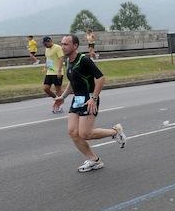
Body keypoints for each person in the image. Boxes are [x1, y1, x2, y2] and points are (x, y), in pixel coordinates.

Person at [54, 35, 126, 172]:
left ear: (75, 46)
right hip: (77, 99)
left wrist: (94, 97)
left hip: (89, 98)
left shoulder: (84, 60)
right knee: (73, 132)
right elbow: (73, 82)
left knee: (85, 133)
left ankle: (116, 132)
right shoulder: (68, 61)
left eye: (66, 44)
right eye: (62, 44)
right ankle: (94, 160)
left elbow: (101, 78)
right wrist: (62, 96)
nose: (63, 46)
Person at [42, 36, 65, 113]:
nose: (45, 46)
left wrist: (59, 71)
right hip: (50, 71)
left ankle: (60, 105)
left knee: (58, 89)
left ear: (50, 41)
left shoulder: (57, 48)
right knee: (46, 88)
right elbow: (48, 59)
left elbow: (61, 58)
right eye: (44, 44)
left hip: (57, 72)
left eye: (46, 44)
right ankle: (56, 99)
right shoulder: (47, 49)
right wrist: (45, 67)